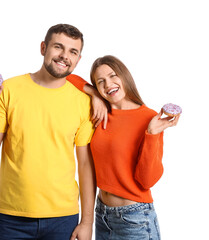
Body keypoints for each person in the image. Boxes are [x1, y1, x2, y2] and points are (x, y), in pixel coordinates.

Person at [0, 24, 106, 240]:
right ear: (43, 47)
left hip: (64, 218)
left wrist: (87, 222)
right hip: (12, 217)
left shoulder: (83, 103)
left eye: (73, 52)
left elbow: (85, 166)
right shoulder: (8, 89)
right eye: (58, 47)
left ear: (78, 59)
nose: (64, 56)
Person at [71, 55, 180, 239]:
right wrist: (94, 94)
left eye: (113, 76)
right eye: (101, 82)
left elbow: (147, 181)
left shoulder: (148, 118)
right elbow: (66, 76)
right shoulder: (99, 113)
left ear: (125, 76)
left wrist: (151, 135)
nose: (108, 84)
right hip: (102, 215)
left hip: (135, 219)